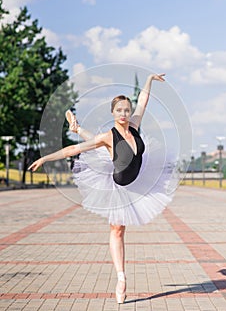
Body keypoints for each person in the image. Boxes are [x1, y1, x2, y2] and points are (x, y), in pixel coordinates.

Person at [29, 73, 179, 304]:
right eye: (119, 110)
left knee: (100, 146)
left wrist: (149, 78)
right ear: (113, 113)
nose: (124, 114)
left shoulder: (135, 125)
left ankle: (77, 127)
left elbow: (143, 100)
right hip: (117, 185)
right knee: (117, 229)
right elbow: (71, 151)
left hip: (138, 179)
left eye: (127, 110)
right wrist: (45, 158)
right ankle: (121, 278)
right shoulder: (110, 134)